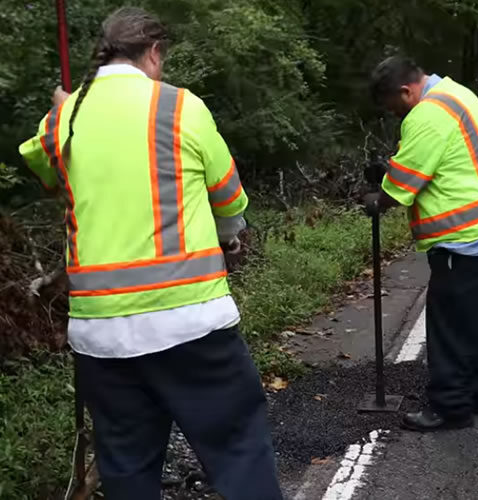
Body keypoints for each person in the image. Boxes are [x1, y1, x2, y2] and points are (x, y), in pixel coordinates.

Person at [17, 7, 282, 500]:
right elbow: (230, 198)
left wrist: (61, 111)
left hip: (101, 336)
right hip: (190, 324)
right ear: (154, 53)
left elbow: (46, 170)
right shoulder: (180, 108)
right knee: (238, 448)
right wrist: (229, 235)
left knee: (128, 469)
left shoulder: (66, 117)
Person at [365, 56, 478, 432]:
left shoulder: (426, 114)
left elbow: (403, 185)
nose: (395, 114)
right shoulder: (456, 93)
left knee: (450, 327)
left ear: (405, 91)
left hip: (472, 240)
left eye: (394, 107)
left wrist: (376, 201)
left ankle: (450, 407)